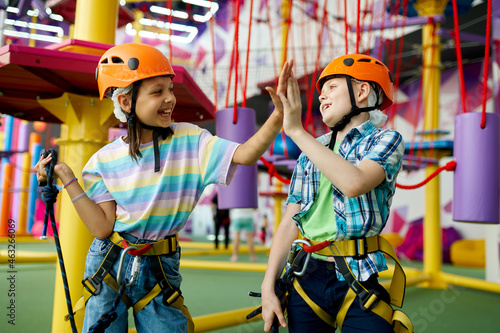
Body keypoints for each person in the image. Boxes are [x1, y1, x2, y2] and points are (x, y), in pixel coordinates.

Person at [35, 43, 294, 333]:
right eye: (157, 91)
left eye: (170, 89)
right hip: (108, 262)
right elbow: (102, 227)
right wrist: (67, 177)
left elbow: (246, 154)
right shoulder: (102, 162)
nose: (170, 98)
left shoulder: (190, 140)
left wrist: (278, 117)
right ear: (124, 102)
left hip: (160, 266)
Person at [260, 54, 407, 332]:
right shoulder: (310, 152)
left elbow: (354, 183)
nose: (321, 97)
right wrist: (268, 286)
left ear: (362, 91)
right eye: (321, 92)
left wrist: (295, 131)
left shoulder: (386, 139)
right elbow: (290, 223)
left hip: (359, 273)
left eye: (331, 87)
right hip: (307, 274)